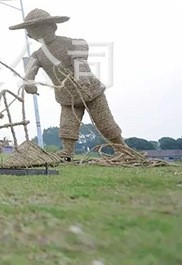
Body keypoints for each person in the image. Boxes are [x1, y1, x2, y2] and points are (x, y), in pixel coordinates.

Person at [10, 9, 130, 160]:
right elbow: (29, 73)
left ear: (54, 26)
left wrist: (82, 78)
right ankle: (67, 152)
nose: (39, 33)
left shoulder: (74, 44)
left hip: (91, 92)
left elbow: (80, 61)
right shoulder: (37, 56)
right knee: (67, 125)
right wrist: (29, 84)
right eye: (34, 30)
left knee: (105, 122)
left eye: (43, 28)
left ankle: (123, 150)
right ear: (30, 35)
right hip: (67, 98)